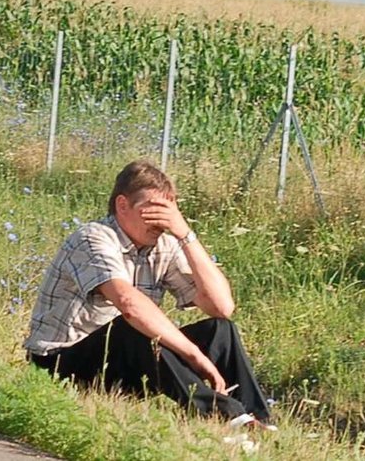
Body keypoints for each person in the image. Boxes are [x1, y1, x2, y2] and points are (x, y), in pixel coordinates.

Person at [24, 160, 274, 428]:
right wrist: (193, 355)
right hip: (62, 362)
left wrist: (186, 234)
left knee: (220, 329)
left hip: (124, 360)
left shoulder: (164, 245)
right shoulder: (92, 238)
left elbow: (221, 307)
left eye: (167, 212)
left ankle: (257, 419)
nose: (161, 222)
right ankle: (226, 415)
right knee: (133, 327)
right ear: (123, 205)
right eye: (152, 210)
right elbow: (128, 304)